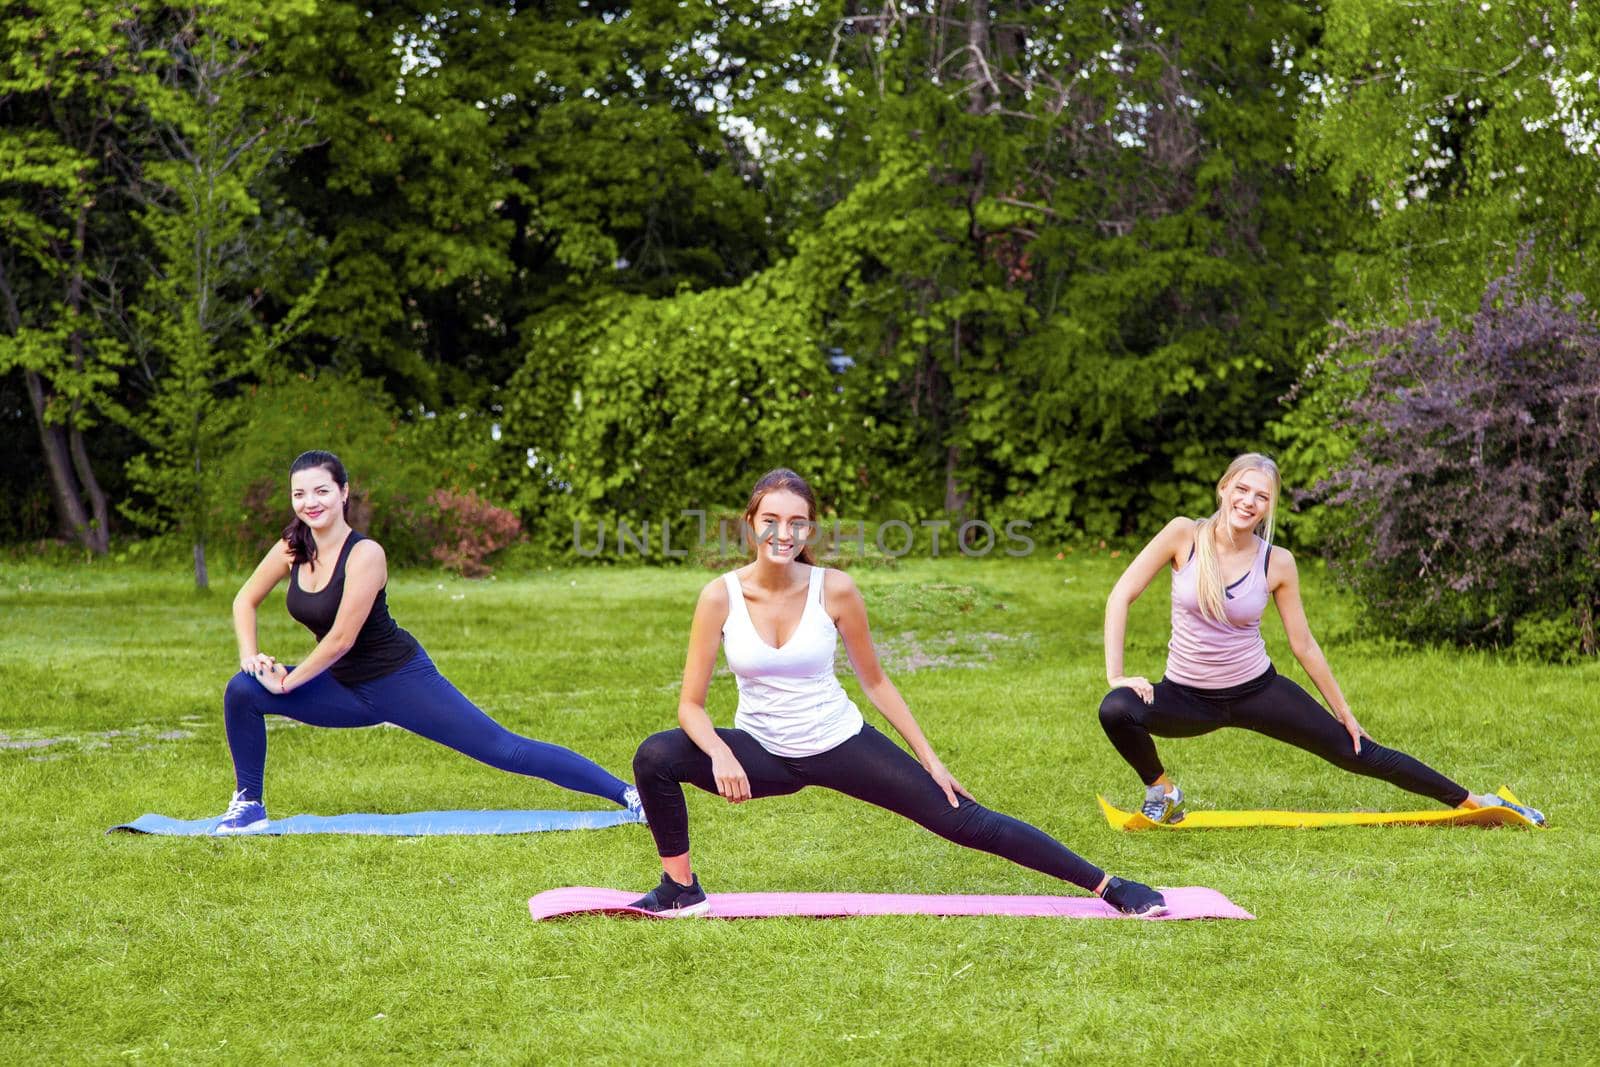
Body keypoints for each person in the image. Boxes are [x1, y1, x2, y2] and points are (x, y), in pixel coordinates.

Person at [627, 468, 1168, 917]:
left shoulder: (833, 589)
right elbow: (690, 705)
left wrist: (929, 759)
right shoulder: (719, 597)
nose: (783, 534)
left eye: (797, 523)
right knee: (655, 755)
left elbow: (875, 681)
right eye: (771, 521)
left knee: (962, 819)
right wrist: (721, 752)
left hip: (839, 742)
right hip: (761, 752)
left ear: (809, 531)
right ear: (751, 525)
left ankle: (1108, 886)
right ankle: (680, 888)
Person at [1097, 452, 1545, 826]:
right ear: (1224, 488)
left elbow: (1303, 644)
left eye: (1262, 497)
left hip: (1258, 690)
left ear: (1269, 508)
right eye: (1242, 489)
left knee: (1359, 753)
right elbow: (1122, 594)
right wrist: (1116, 674)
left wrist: (1344, 713)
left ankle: (1479, 803)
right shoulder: (1183, 535)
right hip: (1187, 697)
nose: (1249, 502)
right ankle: (1163, 791)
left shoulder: (1278, 562)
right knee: (1117, 710)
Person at [213, 450, 641, 832]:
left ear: (344, 493)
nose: (310, 503)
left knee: (506, 750)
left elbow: (342, 638)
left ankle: (629, 795)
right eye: (299, 494)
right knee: (243, 690)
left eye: (321, 491)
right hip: (341, 686)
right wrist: (252, 659)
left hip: (400, 680)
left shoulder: (365, 555)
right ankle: (249, 804)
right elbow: (244, 600)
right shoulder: (292, 547)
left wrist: (287, 682)